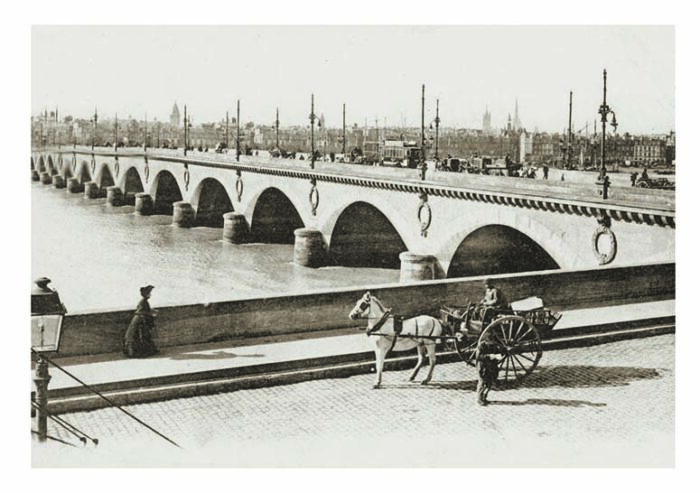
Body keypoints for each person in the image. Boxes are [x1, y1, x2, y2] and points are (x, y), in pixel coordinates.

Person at [123, 285, 158, 358]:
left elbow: (144, 310)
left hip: (139, 320)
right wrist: (151, 314)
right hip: (140, 320)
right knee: (141, 336)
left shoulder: (144, 301)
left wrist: (151, 311)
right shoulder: (143, 301)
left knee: (141, 336)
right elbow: (141, 312)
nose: (150, 295)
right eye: (149, 293)